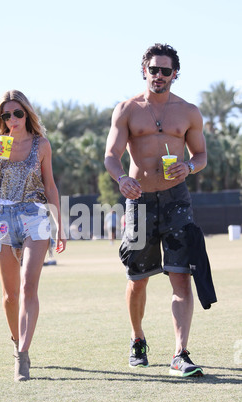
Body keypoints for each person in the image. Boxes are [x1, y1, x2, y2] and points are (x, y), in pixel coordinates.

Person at [104, 44, 207, 377]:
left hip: (177, 200)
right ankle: (137, 340)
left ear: (175, 74)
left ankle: (181, 353)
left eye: (166, 70)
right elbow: (111, 155)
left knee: (182, 276)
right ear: (144, 71)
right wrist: (120, 178)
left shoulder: (189, 112)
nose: (159, 75)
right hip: (139, 202)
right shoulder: (127, 109)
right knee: (138, 279)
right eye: (153, 69)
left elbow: (201, 155)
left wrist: (189, 168)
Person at [0, 90, 66, 382]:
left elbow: (50, 186)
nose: (12, 119)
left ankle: (23, 356)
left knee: (29, 286)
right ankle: (17, 343)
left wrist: (60, 226)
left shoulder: (41, 145)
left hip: (34, 215)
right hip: (2, 216)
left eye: (17, 113)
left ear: (26, 114)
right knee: (10, 295)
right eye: (6, 115)